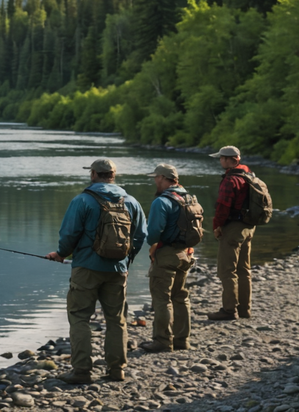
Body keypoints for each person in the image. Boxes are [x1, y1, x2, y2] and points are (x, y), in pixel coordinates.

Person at [45, 159, 146, 384]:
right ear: (113, 175)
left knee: (80, 317)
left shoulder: (82, 200)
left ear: (93, 174)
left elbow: (69, 234)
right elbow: (140, 236)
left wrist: (61, 253)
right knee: (116, 319)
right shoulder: (132, 202)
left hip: (86, 268)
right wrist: (126, 260)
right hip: (118, 269)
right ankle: (116, 370)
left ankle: (81, 371)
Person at [139, 164, 197, 353]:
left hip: (167, 255)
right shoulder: (190, 198)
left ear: (163, 178)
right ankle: (182, 340)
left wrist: (153, 246)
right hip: (186, 253)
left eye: (156, 178)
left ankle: (163, 341)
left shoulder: (161, 201)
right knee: (180, 296)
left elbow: (154, 233)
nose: (155, 181)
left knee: (162, 298)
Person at [208, 146, 253, 321]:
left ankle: (229, 310)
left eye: (221, 158)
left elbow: (223, 207)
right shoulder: (248, 174)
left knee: (227, 271)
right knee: (244, 270)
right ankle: (244, 310)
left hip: (233, 228)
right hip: (248, 226)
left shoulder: (230, 180)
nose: (220, 161)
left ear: (229, 160)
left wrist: (217, 226)